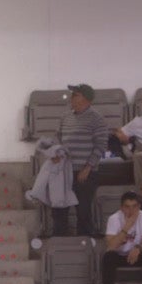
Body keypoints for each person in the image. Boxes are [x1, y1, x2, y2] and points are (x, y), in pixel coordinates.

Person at [55, 83, 109, 236]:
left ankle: (84, 244)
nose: (71, 97)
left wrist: (87, 168)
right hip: (64, 170)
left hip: (85, 172)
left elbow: (100, 146)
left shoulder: (97, 119)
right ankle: (60, 241)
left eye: (75, 94)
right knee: (59, 209)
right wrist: (56, 153)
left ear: (86, 99)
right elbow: (58, 138)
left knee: (83, 209)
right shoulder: (65, 117)